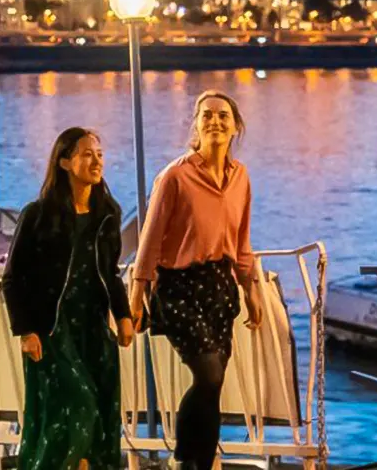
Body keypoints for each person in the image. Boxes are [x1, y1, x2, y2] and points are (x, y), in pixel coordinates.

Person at [129, 90, 264, 470]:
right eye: (207, 115)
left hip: (220, 286)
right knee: (208, 373)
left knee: (214, 384)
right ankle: (182, 459)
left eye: (223, 115)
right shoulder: (175, 176)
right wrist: (137, 295)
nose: (215, 122)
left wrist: (251, 288)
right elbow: (150, 238)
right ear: (196, 124)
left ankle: (199, 463)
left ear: (236, 126)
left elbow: (242, 241)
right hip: (179, 287)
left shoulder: (241, 177)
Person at [2, 127, 135, 470]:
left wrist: (123, 316)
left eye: (99, 154)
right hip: (51, 329)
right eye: (86, 154)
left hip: (92, 328)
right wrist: (26, 331)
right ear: (64, 162)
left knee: (103, 414)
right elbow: (13, 278)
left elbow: (111, 272)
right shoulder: (38, 215)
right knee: (77, 406)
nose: (96, 161)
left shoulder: (108, 213)